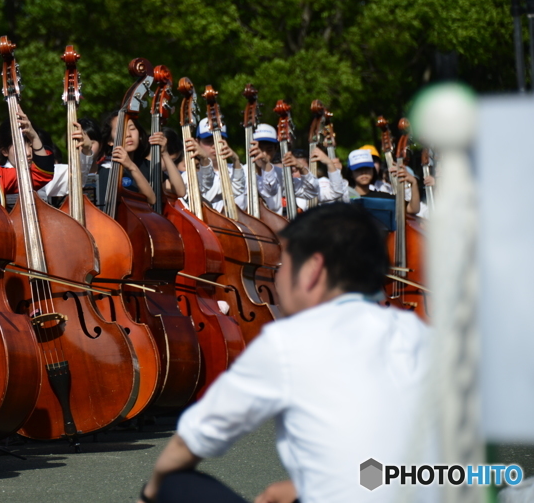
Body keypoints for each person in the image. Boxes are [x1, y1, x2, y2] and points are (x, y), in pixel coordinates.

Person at [139, 203, 429, 503]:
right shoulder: (424, 336)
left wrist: (150, 494)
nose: (274, 280)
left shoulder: (288, 341)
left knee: (174, 487)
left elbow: (192, 441)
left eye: (281, 266)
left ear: (313, 269)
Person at [248, 124, 319, 212]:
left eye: (269, 150)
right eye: (259, 149)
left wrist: (301, 168)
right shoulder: (239, 173)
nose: (264, 154)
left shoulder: (280, 174)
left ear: (275, 149)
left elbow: (311, 192)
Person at [182, 118, 245, 213]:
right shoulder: (188, 175)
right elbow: (204, 186)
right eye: (209, 141)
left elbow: (237, 191)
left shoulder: (237, 169)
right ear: (197, 142)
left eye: (219, 140)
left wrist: (236, 160)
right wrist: (205, 160)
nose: (214, 145)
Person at [97, 112, 156, 206]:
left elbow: (151, 199)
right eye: (121, 130)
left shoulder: (146, 165)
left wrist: (131, 166)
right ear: (110, 141)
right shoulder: (103, 169)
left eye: (132, 128)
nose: (128, 134)